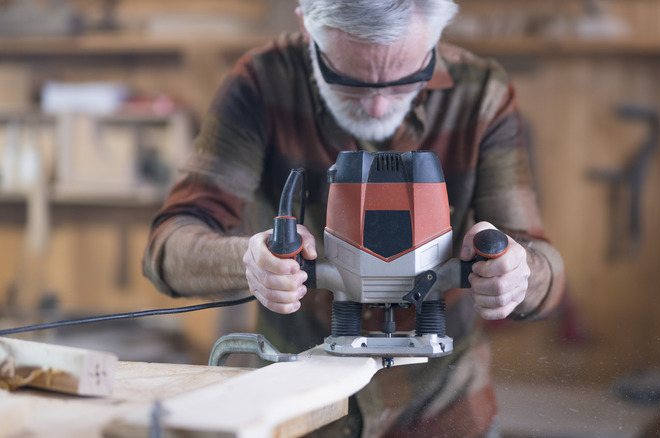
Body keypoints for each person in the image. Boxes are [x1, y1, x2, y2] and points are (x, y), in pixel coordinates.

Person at [143, 0, 565, 436]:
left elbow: (545, 271)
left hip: (441, 406)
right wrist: (250, 262)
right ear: (308, 27)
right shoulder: (262, 82)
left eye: (406, 80)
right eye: (349, 81)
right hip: (298, 399)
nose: (379, 108)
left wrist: (515, 272)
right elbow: (167, 249)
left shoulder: (481, 92)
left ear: (434, 38)